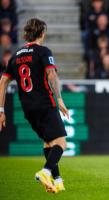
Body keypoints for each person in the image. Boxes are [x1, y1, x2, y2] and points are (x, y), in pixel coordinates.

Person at [0, 18, 69, 193]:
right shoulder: (43, 51)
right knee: (61, 142)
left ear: (26, 34)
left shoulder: (15, 56)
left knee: (48, 143)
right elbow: (51, 74)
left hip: (27, 107)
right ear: (42, 33)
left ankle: (58, 181)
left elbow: (3, 82)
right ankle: (45, 172)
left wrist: (1, 110)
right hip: (44, 103)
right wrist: (59, 99)